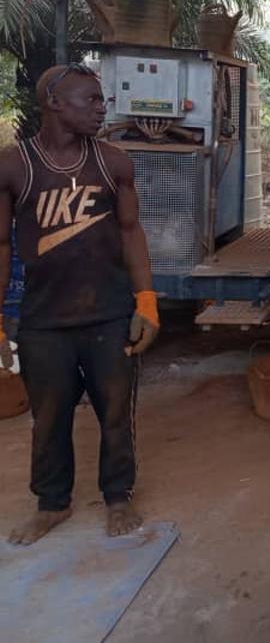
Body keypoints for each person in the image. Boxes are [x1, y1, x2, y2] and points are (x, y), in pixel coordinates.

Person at [0, 64, 159, 544]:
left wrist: (146, 302)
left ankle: (117, 496)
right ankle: (52, 503)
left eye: (100, 98)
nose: (100, 106)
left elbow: (131, 233)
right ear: (53, 102)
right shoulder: (14, 165)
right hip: (44, 320)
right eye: (88, 99)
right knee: (49, 417)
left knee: (116, 411)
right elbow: (2, 245)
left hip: (109, 315)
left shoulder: (113, 162)